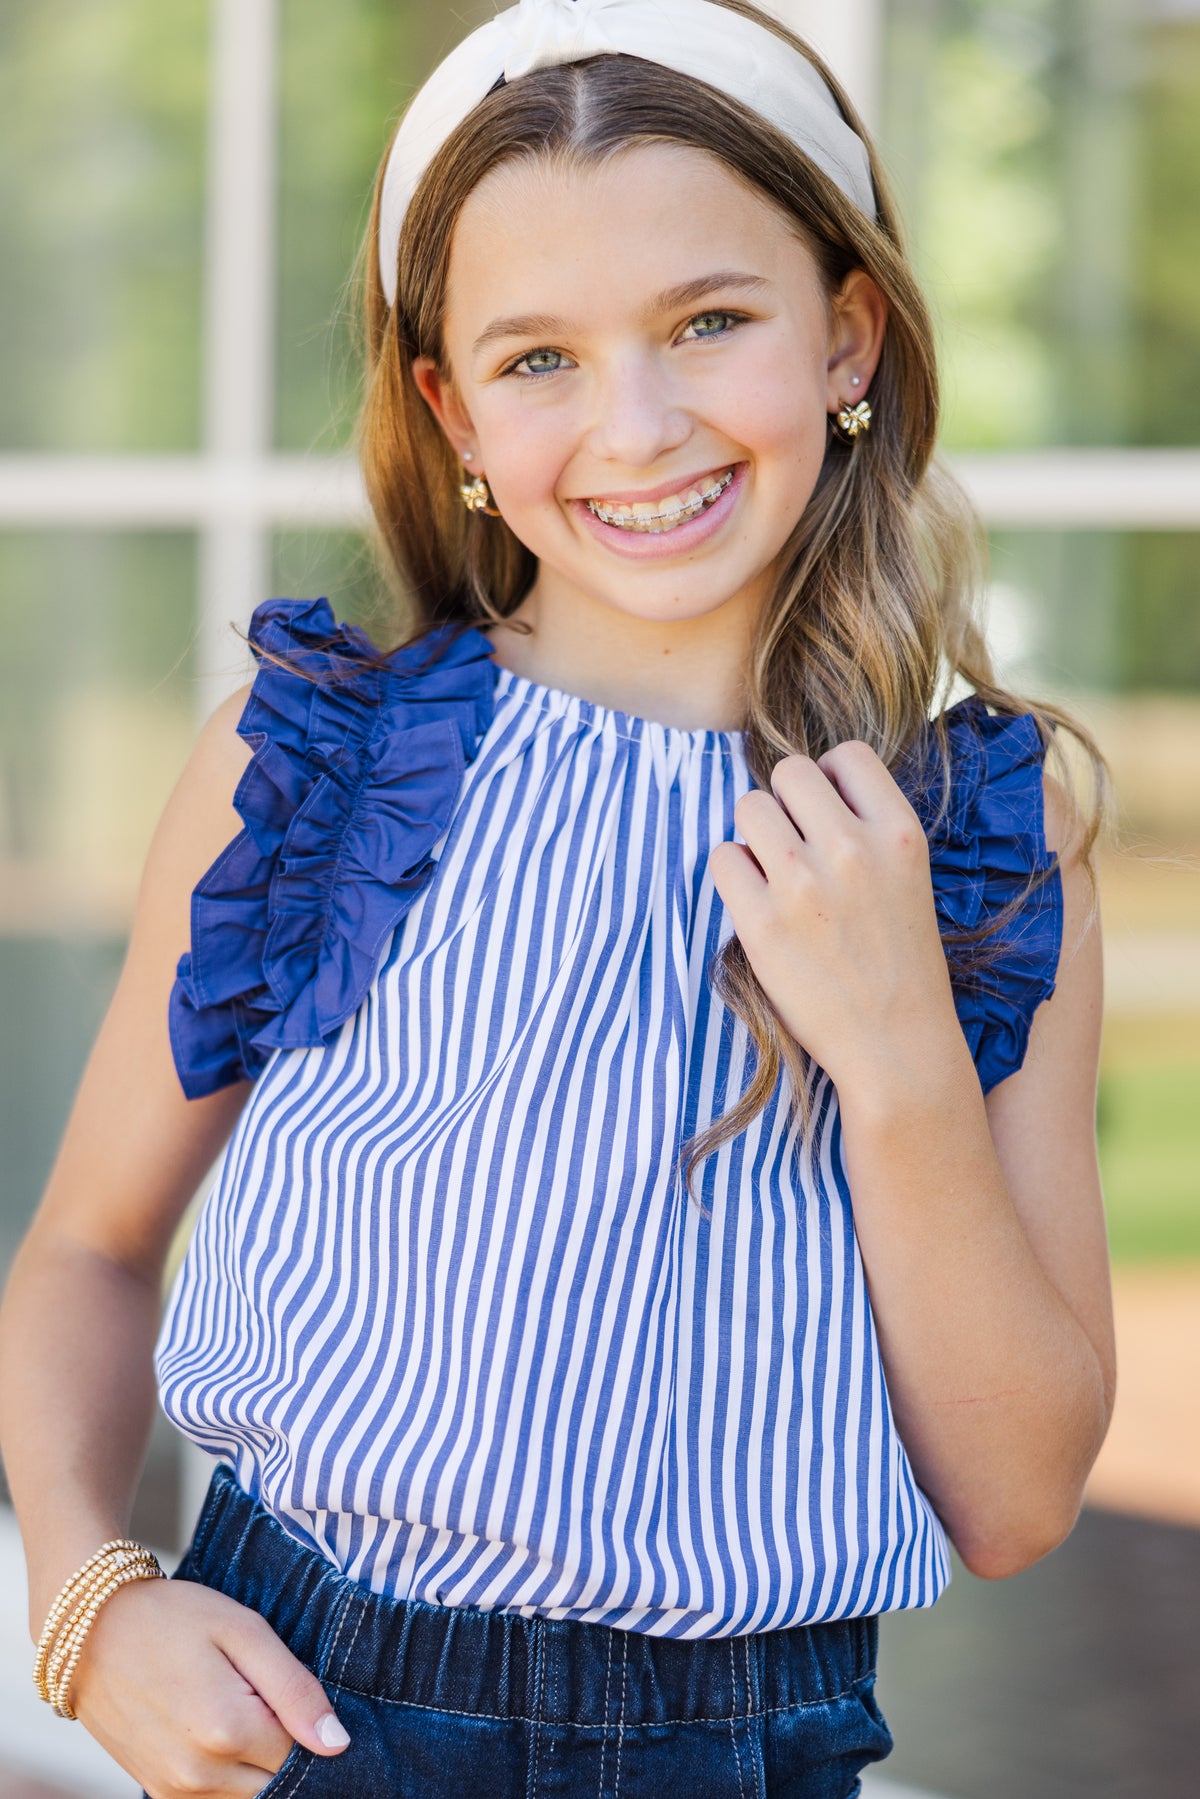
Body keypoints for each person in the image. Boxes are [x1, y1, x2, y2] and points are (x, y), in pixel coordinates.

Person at [0, 2, 1116, 1794]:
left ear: (848, 334)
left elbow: (1019, 1496)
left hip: (747, 1746)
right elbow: (88, 1250)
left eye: (709, 322)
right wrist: (86, 1597)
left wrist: (902, 1053)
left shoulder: (973, 834)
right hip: (313, 1708)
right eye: (539, 359)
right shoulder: (321, 765)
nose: (638, 426)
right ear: (449, 408)